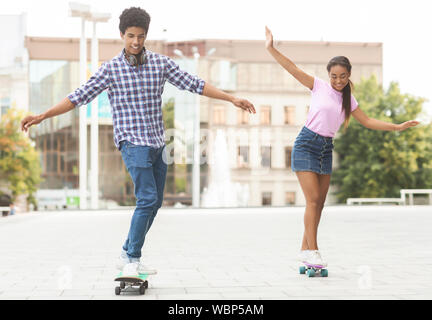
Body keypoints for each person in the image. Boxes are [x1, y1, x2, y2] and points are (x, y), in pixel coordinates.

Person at [21, 7, 256, 277]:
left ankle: (127, 253)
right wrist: (42, 116)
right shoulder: (109, 70)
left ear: (146, 36)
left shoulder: (161, 63)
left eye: (141, 36)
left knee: (154, 203)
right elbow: (78, 97)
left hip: (157, 143)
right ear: (122, 35)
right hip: (132, 143)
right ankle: (131, 258)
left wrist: (232, 98)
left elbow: (195, 83)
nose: (135, 42)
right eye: (131, 36)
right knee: (146, 199)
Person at [265, 26, 419, 268]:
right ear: (329, 75)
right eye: (334, 76)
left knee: (320, 203)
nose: (338, 81)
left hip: (326, 149)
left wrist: (396, 127)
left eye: (342, 76)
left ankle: (305, 250)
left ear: (349, 75)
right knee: (313, 200)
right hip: (306, 144)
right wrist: (271, 48)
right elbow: (292, 68)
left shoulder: (349, 99)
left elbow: (368, 121)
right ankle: (313, 251)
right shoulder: (318, 86)